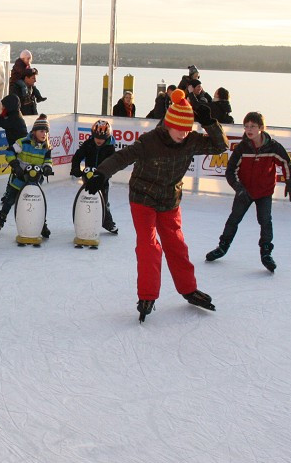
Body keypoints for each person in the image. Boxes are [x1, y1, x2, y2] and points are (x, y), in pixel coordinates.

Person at [86, 89, 226, 320]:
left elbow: (221, 146)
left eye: (187, 129)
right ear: (168, 124)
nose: (183, 133)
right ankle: (148, 295)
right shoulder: (150, 141)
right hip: (143, 198)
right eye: (179, 128)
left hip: (170, 199)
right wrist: (101, 175)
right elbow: (123, 157)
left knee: (177, 246)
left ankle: (188, 289)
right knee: (149, 247)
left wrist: (209, 122)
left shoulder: (191, 141)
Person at [204, 112, 291, 273]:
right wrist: (239, 188)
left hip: (264, 191)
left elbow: (286, 163)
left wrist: (290, 183)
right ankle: (222, 247)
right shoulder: (242, 148)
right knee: (234, 219)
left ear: (261, 128)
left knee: (265, 220)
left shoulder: (273, 146)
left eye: (252, 126)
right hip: (245, 192)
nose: (249, 129)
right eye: (246, 126)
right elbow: (230, 171)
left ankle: (266, 253)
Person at [0, 115, 53, 236]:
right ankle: (1, 218)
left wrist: (47, 168)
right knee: (9, 200)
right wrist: (15, 165)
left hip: (35, 181)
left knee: (37, 203)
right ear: (34, 131)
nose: (44, 134)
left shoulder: (46, 147)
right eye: (41, 131)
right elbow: (9, 152)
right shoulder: (23, 142)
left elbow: (48, 161)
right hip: (19, 178)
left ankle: (42, 224)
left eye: (46, 132)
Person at [70, 119, 118, 234]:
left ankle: (107, 223)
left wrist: (105, 174)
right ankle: (81, 221)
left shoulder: (110, 147)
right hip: (88, 177)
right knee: (84, 198)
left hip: (102, 178)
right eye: (97, 137)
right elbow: (77, 156)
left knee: (103, 201)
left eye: (102, 138)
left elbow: (113, 163)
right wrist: (75, 169)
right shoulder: (88, 144)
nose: (99, 140)